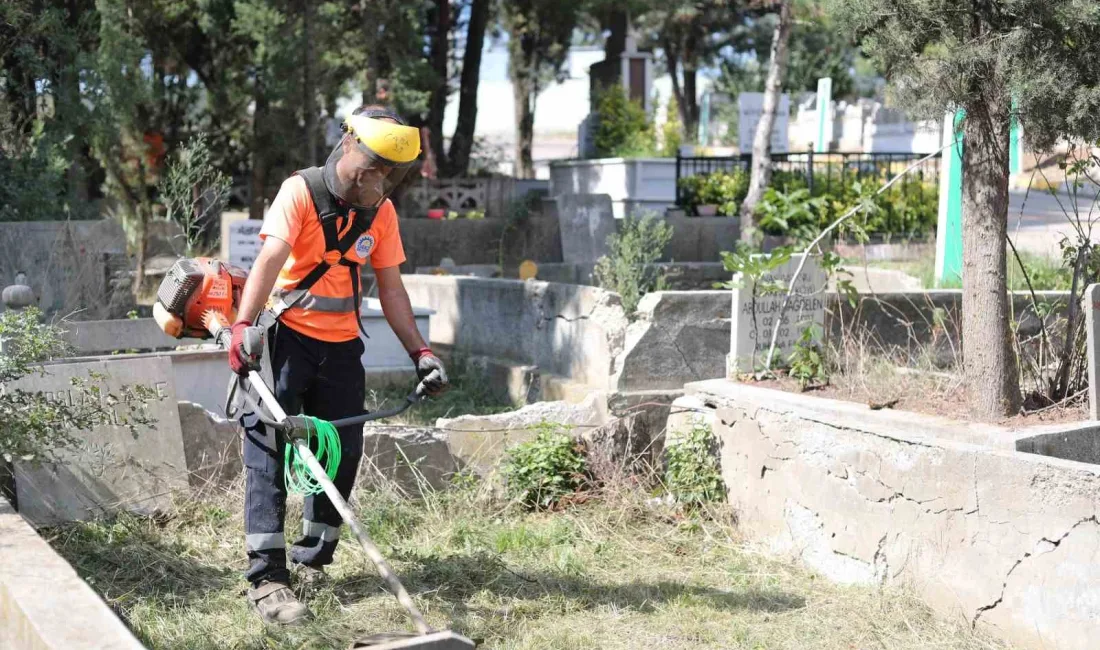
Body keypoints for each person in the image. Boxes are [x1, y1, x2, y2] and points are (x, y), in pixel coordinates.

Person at [227, 106, 449, 625]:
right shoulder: (300, 191)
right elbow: (269, 260)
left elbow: (391, 289)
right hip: (286, 340)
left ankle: (314, 558)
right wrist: (244, 326)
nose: (375, 183)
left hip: (343, 347)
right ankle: (268, 579)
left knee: (341, 454)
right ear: (348, 146)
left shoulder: (381, 212)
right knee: (269, 452)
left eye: (387, 176)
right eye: (371, 170)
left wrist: (421, 352)